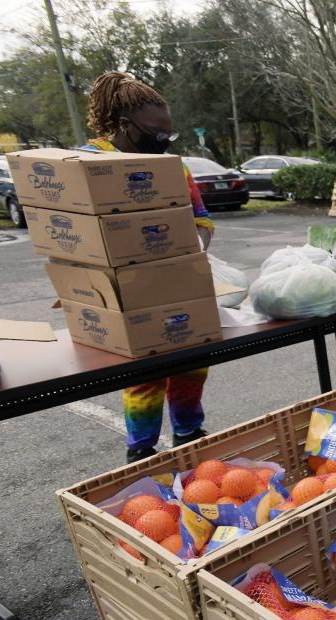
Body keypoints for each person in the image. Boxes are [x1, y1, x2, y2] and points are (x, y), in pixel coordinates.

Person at [82, 71, 215, 463]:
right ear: (125, 125)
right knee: (146, 374)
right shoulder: (89, 162)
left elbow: (202, 218)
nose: (163, 141)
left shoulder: (175, 168)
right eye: (157, 133)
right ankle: (141, 451)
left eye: (169, 134)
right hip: (121, 290)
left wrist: (192, 247)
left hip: (178, 280)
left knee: (193, 363)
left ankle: (189, 432)